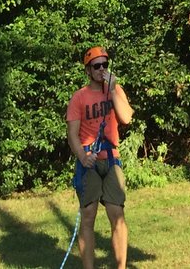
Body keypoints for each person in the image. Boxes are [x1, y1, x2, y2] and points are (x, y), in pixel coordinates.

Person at [66, 45, 134, 269]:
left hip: (112, 159)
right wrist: (83, 157)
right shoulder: (79, 97)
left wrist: (113, 89)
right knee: (88, 215)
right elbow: (72, 135)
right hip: (90, 162)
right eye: (96, 66)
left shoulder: (115, 89)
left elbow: (126, 118)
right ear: (88, 70)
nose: (101, 69)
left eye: (105, 65)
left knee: (118, 214)